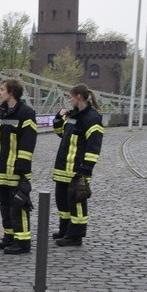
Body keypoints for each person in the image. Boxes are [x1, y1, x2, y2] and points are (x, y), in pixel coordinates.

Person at [0, 78, 37, 254]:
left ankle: (22, 242)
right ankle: (9, 236)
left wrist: (22, 168)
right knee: (5, 205)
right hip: (2, 170)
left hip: (16, 171)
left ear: (12, 92)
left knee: (18, 206)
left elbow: (28, 142)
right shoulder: (2, 114)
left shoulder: (26, 113)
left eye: (1, 90)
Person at [52, 83, 104, 247]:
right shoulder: (72, 115)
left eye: (71, 96)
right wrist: (58, 118)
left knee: (77, 204)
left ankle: (75, 236)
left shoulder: (92, 118)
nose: (69, 99)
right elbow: (63, 134)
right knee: (62, 202)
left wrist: (86, 169)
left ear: (79, 97)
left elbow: (94, 147)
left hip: (77, 170)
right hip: (63, 168)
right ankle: (65, 230)